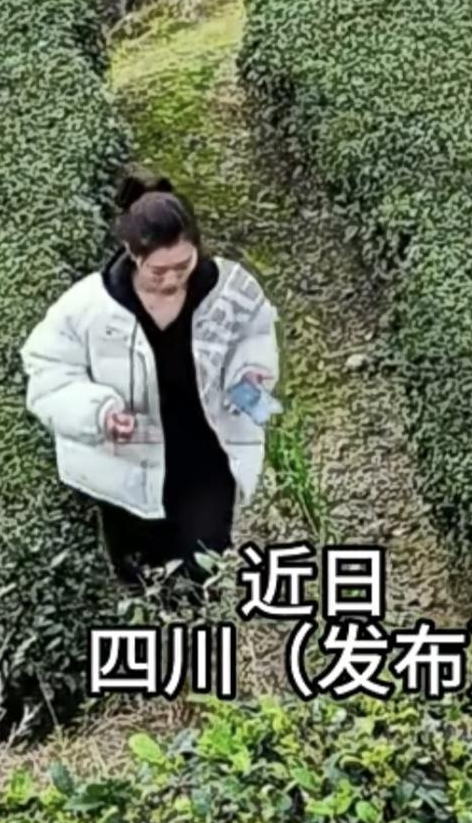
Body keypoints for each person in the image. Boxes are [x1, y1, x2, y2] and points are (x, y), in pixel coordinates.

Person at [21, 176, 279, 587]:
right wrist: (100, 411)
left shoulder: (227, 289)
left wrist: (249, 372)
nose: (173, 280)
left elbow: (255, 334)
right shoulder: (87, 307)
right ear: (133, 254)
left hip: (205, 460)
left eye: (183, 266)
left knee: (206, 574)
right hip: (124, 470)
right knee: (143, 581)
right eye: (160, 271)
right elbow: (49, 372)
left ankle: (201, 640)